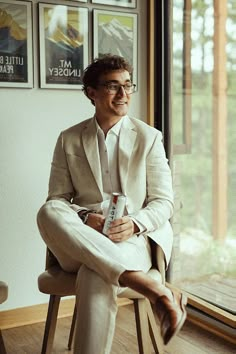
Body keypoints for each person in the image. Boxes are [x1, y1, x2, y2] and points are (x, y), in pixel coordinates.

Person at [37, 54, 187, 354]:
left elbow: (164, 202)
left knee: (95, 274)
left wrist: (133, 223)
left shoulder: (149, 138)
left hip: (132, 240)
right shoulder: (69, 139)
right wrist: (83, 218)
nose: (123, 95)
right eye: (113, 86)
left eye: (128, 86)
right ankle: (151, 287)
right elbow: (57, 199)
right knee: (48, 210)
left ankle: (138, 279)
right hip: (82, 240)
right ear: (91, 92)